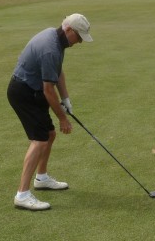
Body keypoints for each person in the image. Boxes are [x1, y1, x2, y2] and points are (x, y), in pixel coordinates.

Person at [7, 13, 93, 210]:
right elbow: (48, 89)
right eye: (78, 37)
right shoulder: (50, 48)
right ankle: (22, 194)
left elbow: (58, 71)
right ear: (69, 30)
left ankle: (42, 178)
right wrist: (63, 118)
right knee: (39, 140)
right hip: (24, 92)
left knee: (49, 134)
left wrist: (66, 99)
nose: (79, 42)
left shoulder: (56, 39)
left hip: (33, 90)